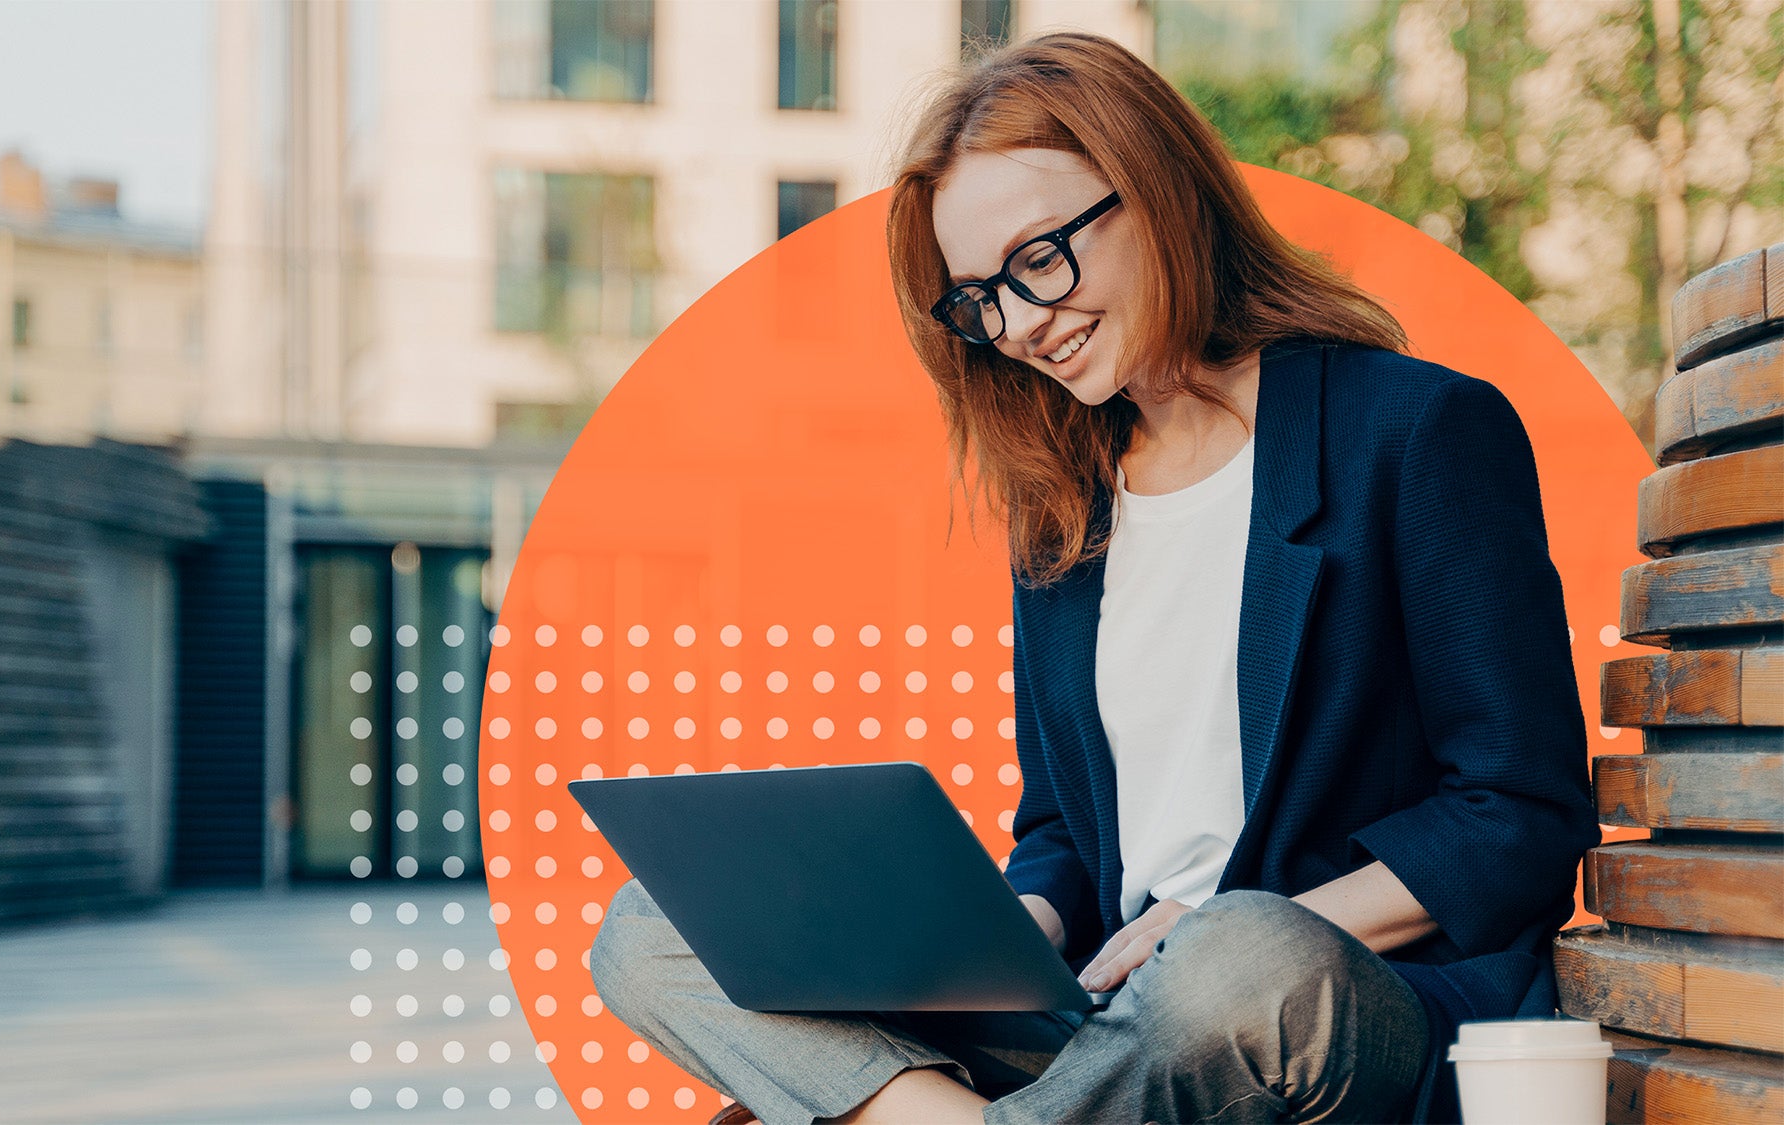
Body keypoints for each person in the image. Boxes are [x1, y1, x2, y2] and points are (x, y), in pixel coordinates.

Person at [589, 31, 1597, 1125]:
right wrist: (1023, 924)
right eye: (981, 299)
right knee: (655, 929)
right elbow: (1066, 831)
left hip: (1319, 1001)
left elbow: (1522, 815)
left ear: (1155, 191)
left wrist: (1256, 923)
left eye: (1039, 260)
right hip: (1108, 1019)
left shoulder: (1416, 431)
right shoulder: (1065, 506)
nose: (1022, 326)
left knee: (1234, 950)